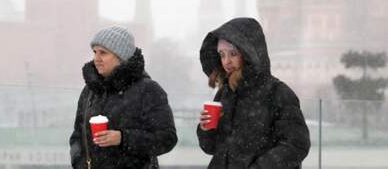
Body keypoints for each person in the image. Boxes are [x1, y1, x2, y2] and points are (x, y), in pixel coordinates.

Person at [197, 17, 310, 168]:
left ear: (249, 54)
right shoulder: (225, 93)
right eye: (222, 54)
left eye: (233, 54)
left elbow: (296, 144)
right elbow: (210, 148)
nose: (226, 61)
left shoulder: (278, 93)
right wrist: (206, 129)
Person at [69, 26, 177, 168]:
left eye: (103, 53)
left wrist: (123, 138)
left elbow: (166, 139)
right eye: (95, 52)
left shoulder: (148, 90)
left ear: (121, 57)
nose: (96, 58)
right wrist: (79, 163)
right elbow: (78, 135)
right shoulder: (90, 90)